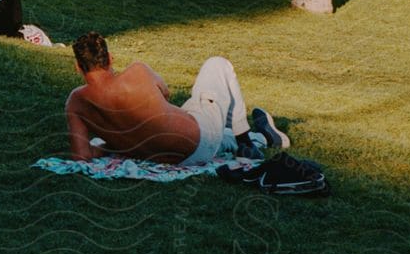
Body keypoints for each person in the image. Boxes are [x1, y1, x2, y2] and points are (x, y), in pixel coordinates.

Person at [64, 32, 288, 165]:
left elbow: (82, 156)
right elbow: (165, 93)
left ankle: (265, 137)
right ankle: (247, 142)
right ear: (110, 58)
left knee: (216, 133)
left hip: (167, 159)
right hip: (198, 141)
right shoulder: (137, 72)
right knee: (217, 65)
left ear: (77, 67)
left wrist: (113, 144)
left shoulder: (76, 102)